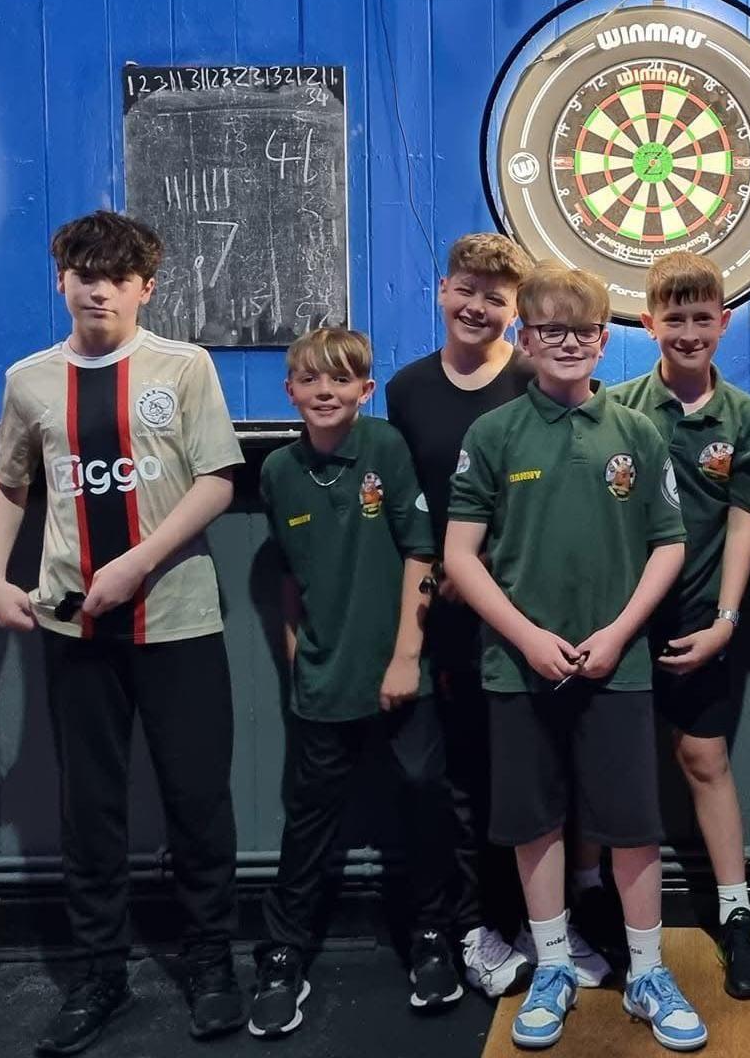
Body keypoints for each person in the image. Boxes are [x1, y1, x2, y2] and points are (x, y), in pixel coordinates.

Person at [0, 210, 246, 1055]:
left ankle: (210, 962)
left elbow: (218, 480)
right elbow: (8, 485)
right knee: (88, 807)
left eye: (116, 275)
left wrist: (137, 562)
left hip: (178, 619)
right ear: (61, 281)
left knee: (197, 798)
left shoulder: (185, 366)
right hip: (72, 627)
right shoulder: (29, 380)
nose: (98, 286)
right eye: (82, 272)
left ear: (144, 288)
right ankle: (100, 971)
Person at [445, 264, 708, 1051]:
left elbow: (669, 544)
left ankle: (648, 971)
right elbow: (461, 556)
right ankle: (554, 963)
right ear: (523, 340)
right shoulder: (493, 434)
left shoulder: (636, 431)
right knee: (535, 823)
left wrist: (621, 631)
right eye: (549, 331)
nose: (567, 343)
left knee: (631, 826)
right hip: (518, 669)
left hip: (617, 667)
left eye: (583, 331)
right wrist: (525, 636)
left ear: (604, 339)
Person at [384, 234, 614, 994]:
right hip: (447, 619)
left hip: (533, 615)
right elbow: (415, 516)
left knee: (536, 777)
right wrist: (445, 579)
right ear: (442, 291)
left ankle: (543, 926)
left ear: (515, 314)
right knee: (456, 780)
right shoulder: (407, 389)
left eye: (495, 297)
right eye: (466, 290)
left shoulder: (534, 378)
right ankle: (474, 925)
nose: (477, 306)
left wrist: (490, 572)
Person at [248, 326, 460, 1038]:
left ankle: (433, 938)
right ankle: (282, 955)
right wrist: (294, 657)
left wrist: (406, 656)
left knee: (425, 799)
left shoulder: (386, 449)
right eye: (311, 380)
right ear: (291, 391)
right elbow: (287, 577)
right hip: (323, 683)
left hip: (402, 674)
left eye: (341, 381)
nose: (325, 392)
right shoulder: (278, 471)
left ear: (366, 391)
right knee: (308, 820)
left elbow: (421, 551)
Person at [605, 252, 750, 1001]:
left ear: (724, 323)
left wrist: (727, 621)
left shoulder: (744, 417)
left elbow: (744, 526)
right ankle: (603, 915)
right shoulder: (617, 407)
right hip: (625, 622)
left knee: (705, 762)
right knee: (617, 768)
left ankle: (736, 916)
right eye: (673, 318)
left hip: (703, 620)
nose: (688, 330)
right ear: (648, 324)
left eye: (701, 317)